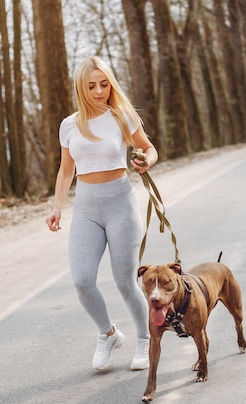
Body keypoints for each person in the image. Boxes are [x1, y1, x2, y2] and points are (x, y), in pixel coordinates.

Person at [46, 56, 158, 371]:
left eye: (104, 84)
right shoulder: (69, 125)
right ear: (81, 88)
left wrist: (146, 160)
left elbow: (149, 148)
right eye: (92, 85)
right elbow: (66, 170)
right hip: (86, 207)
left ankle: (144, 340)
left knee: (125, 281)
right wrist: (56, 207)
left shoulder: (122, 117)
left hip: (120, 203)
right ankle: (107, 333)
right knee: (82, 279)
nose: (98, 91)